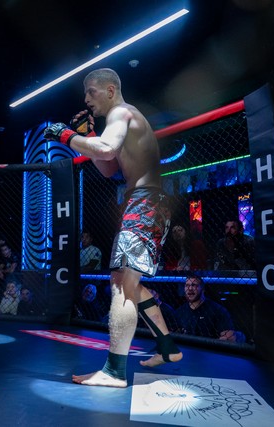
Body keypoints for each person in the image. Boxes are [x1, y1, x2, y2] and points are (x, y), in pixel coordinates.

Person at [44, 68, 182, 388]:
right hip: (144, 203)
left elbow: (106, 150)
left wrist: (66, 136)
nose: (86, 99)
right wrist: (87, 136)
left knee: (121, 282)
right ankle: (167, 347)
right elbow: (107, 167)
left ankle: (114, 371)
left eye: (90, 92)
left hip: (145, 202)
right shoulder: (119, 121)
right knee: (129, 281)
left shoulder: (121, 112)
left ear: (109, 91)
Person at [175, 274, 243, 341]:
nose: (190, 288)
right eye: (187, 285)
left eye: (194, 285)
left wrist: (212, 344)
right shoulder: (180, 311)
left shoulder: (217, 310)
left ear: (202, 289)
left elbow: (230, 337)